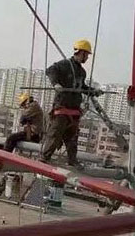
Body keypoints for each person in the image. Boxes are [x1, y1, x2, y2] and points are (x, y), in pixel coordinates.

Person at [41, 39, 101, 168]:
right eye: (86, 55)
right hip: (62, 108)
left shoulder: (82, 72)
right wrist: (56, 84)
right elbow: (50, 70)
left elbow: (81, 87)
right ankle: (45, 158)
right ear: (80, 52)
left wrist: (93, 91)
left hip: (74, 110)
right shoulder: (64, 65)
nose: (87, 58)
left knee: (72, 138)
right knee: (55, 134)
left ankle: (72, 160)